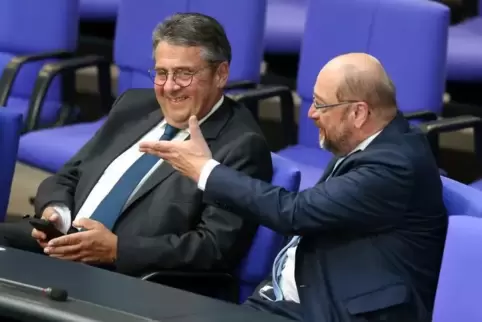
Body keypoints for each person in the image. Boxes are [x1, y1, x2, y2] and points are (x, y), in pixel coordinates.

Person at [140, 53, 448, 322]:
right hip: (296, 296)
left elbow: (293, 212)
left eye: (320, 104)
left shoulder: (393, 166)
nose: (311, 113)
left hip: (343, 311)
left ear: (358, 113)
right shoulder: (371, 144)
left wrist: (205, 170)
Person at [0, 13, 273, 297]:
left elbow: (213, 248)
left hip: (132, 277)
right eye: (161, 73)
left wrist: (116, 249)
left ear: (221, 74)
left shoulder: (241, 146)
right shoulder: (134, 105)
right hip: (61, 245)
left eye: (184, 74)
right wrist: (58, 214)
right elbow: (70, 174)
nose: (169, 87)